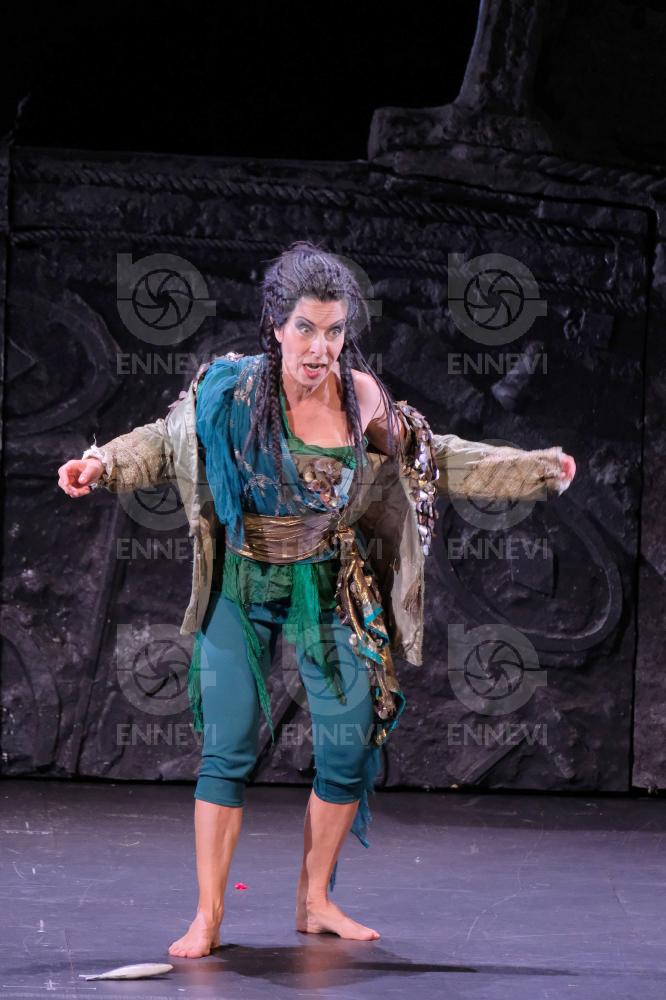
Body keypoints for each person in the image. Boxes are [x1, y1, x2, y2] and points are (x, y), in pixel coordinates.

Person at [57, 240, 576, 958]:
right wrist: (102, 463)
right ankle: (209, 916)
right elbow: (163, 439)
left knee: (348, 743)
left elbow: (438, 456)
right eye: (305, 328)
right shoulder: (231, 390)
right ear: (276, 325)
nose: (319, 348)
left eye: (334, 331)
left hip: (330, 583)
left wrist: (535, 470)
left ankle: (315, 900)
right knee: (228, 747)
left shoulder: (361, 399)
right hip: (243, 583)